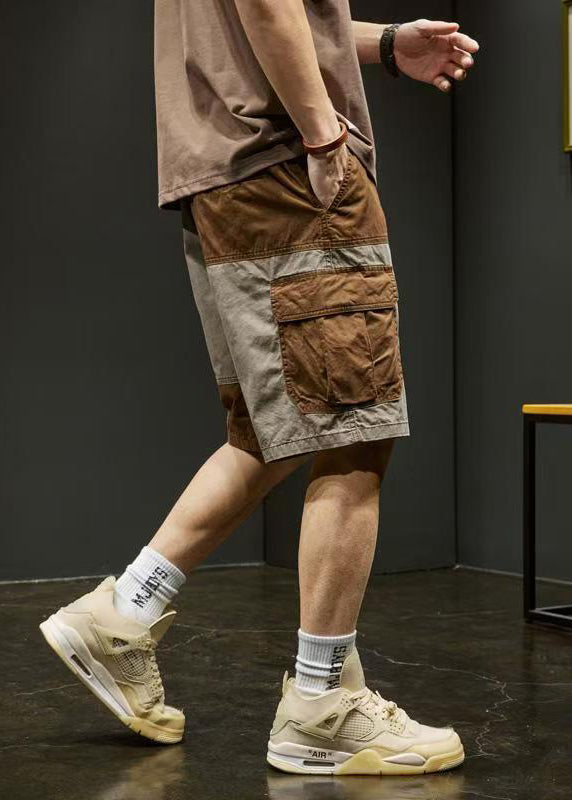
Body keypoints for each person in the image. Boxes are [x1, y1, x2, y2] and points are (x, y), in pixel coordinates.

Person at [40, 1, 479, 776]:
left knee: (269, 430)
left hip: (224, 177)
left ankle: (124, 613)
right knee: (354, 431)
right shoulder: (302, 144)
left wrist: (382, 44)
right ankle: (320, 705)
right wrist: (324, 135)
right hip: (283, 166)